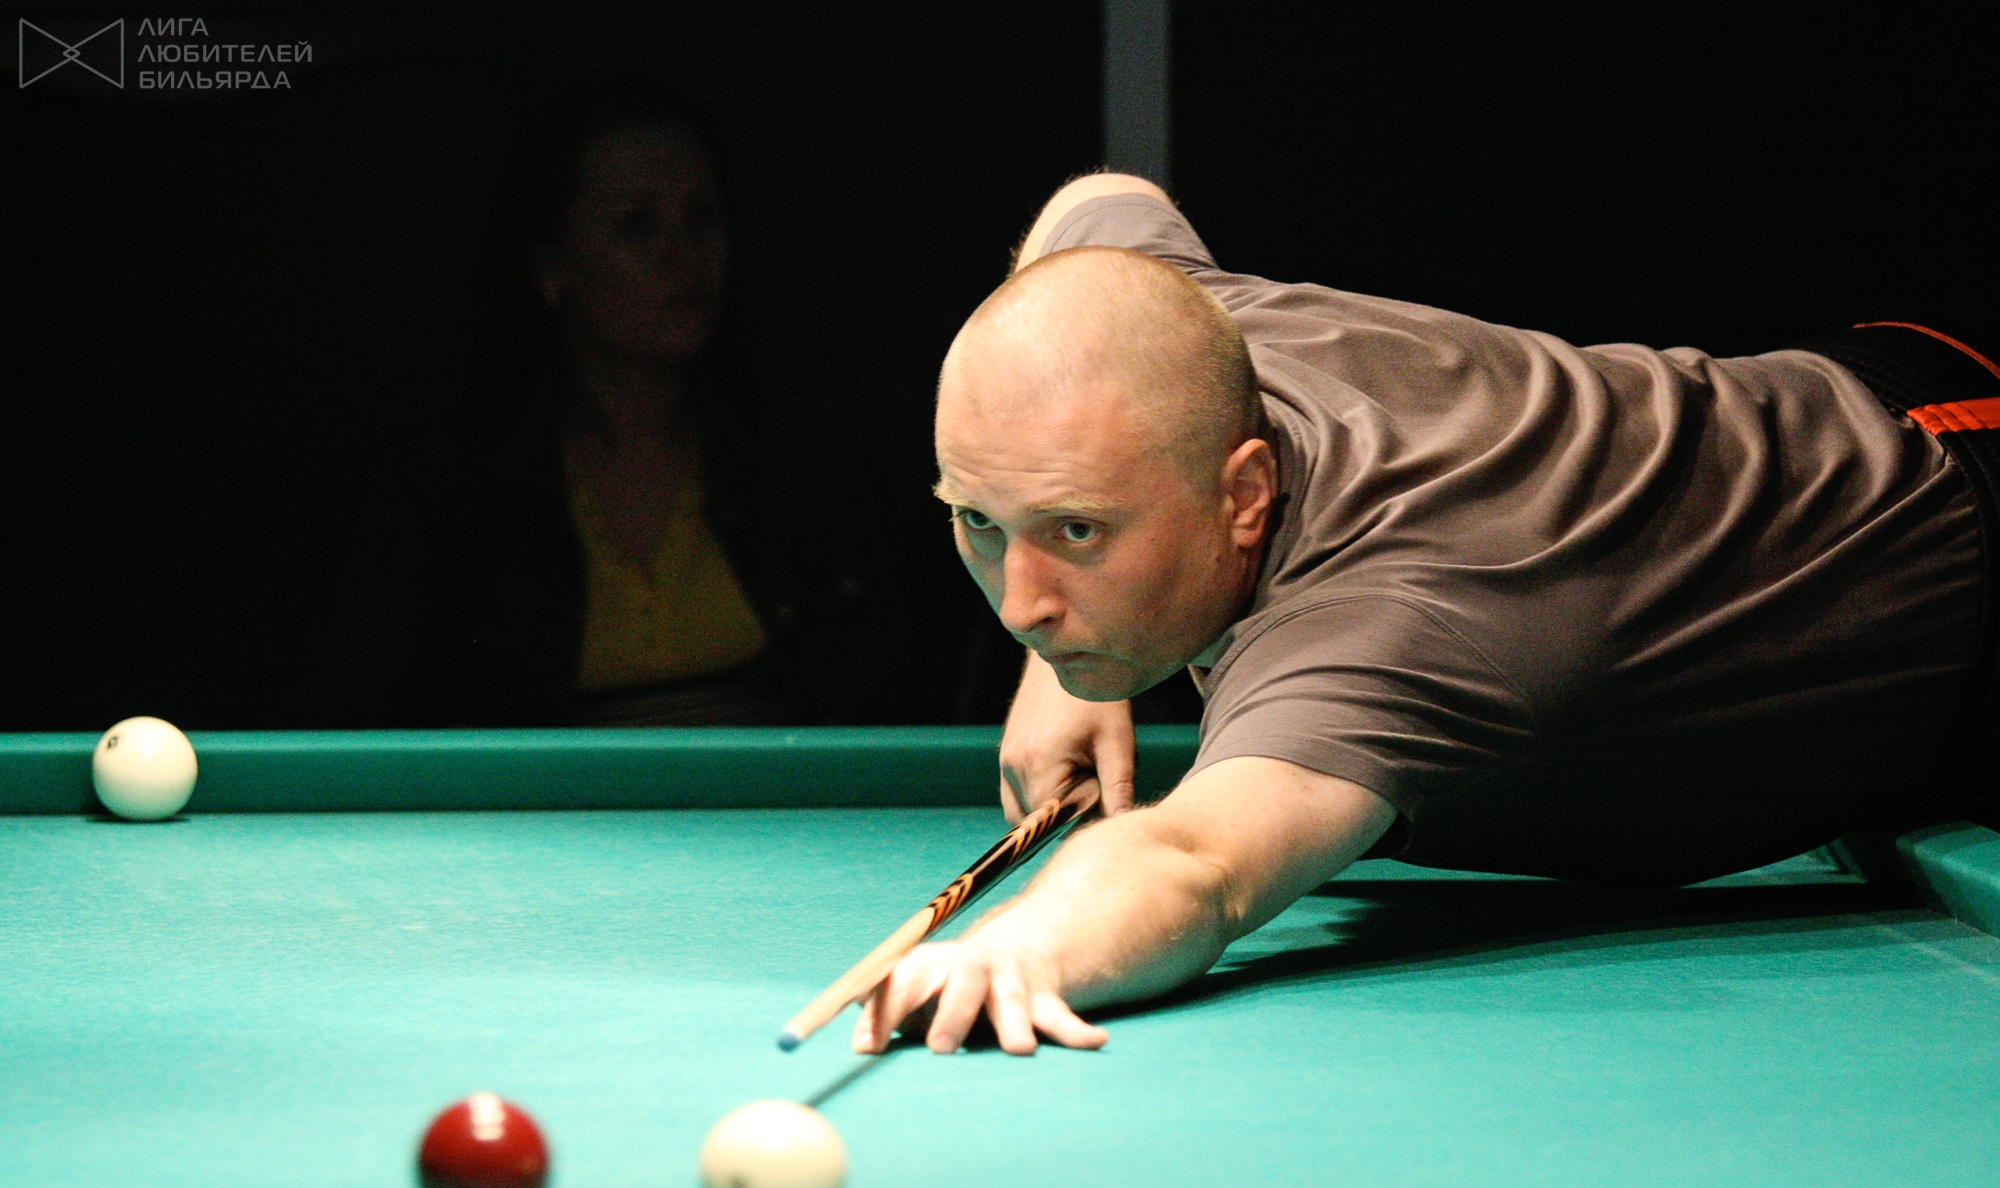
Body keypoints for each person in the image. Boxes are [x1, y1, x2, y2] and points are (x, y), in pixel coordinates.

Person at [852, 171, 2000, 1058]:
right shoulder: (1174, 338)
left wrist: (1015, 946)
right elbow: (1101, 202)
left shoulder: (1387, 627)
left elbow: (1195, 863)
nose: (1020, 602)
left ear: (1243, 496)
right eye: (980, 521)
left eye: (1076, 530)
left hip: (1960, 503)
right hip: (1844, 405)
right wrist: (1063, 651)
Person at [429, 78, 859, 725]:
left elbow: (875, 691)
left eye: (702, 216)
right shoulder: (467, 489)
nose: (682, 255)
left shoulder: (795, 463)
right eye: (637, 223)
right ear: (553, 268)